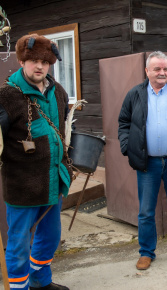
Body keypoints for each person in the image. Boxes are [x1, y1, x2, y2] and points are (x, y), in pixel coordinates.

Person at [0, 34, 73, 290]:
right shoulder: (6, 97)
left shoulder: (59, 92)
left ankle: (41, 282)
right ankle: (20, 287)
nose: (39, 66)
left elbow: (63, 129)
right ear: (21, 60)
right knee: (19, 244)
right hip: (22, 187)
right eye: (33, 60)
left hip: (53, 182)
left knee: (49, 238)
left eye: (45, 61)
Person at [118, 51, 167, 270]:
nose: (162, 73)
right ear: (147, 71)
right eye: (157, 69)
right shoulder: (135, 94)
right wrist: (127, 147)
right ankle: (146, 252)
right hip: (147, 162)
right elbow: (123, 122)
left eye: (165, 69)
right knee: (145, 211)